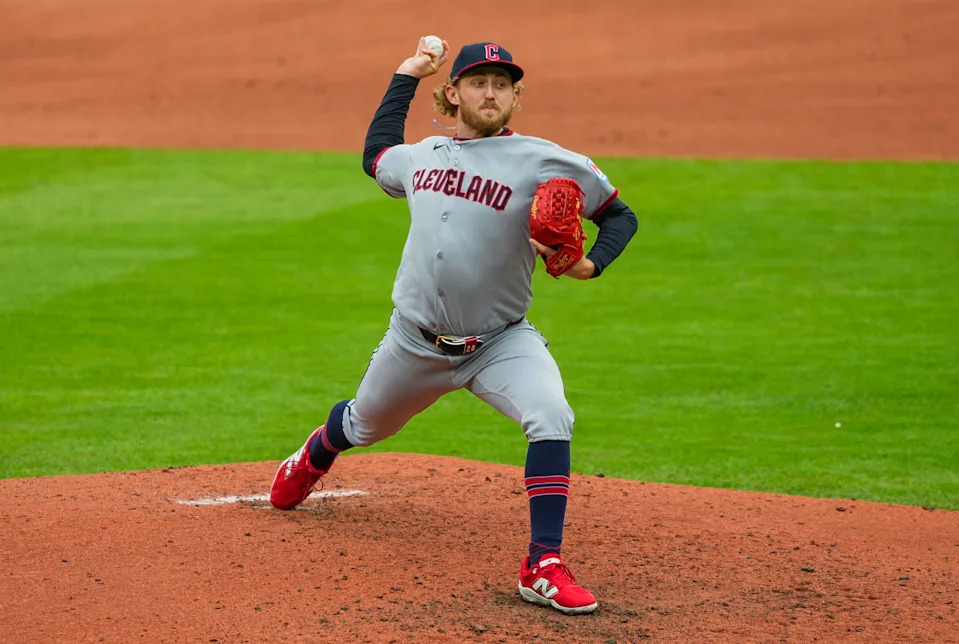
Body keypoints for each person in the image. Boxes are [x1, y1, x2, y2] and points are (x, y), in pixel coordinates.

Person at [270, 36, 638, 615]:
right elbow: (375, 156)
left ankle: (542, 563)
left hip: (500, 342)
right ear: (454, 92)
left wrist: (592, 264)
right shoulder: (424, 156)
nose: (490, 92)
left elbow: (620, 214)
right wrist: (404, 75)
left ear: (516, 96)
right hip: (414, 343)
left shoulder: (546, 159)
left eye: (501, 84)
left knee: (551, 414)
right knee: (364, 424)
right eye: (477, 82)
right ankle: (317, 451)